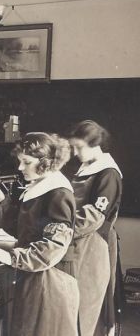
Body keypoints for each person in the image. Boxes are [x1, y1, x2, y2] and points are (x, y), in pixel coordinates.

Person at [0, 132, 79, 336]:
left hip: (50, 279)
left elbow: (52, 248)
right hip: (35, 273)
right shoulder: (40, 187)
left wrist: (12, 256)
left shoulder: (59, 194)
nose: (20, 168)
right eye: (20, 162)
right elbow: (20, 228)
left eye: (26, 162)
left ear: (45, 163)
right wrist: (2, 201)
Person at [68, 120, 123, 336]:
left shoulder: (108, 173)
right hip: (79, 241)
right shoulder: (87, 167)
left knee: (89, 305)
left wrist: (60, 228)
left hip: (95, 243)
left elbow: (94, 217)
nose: (74, 153)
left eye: (78, 147)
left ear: (94, 143)